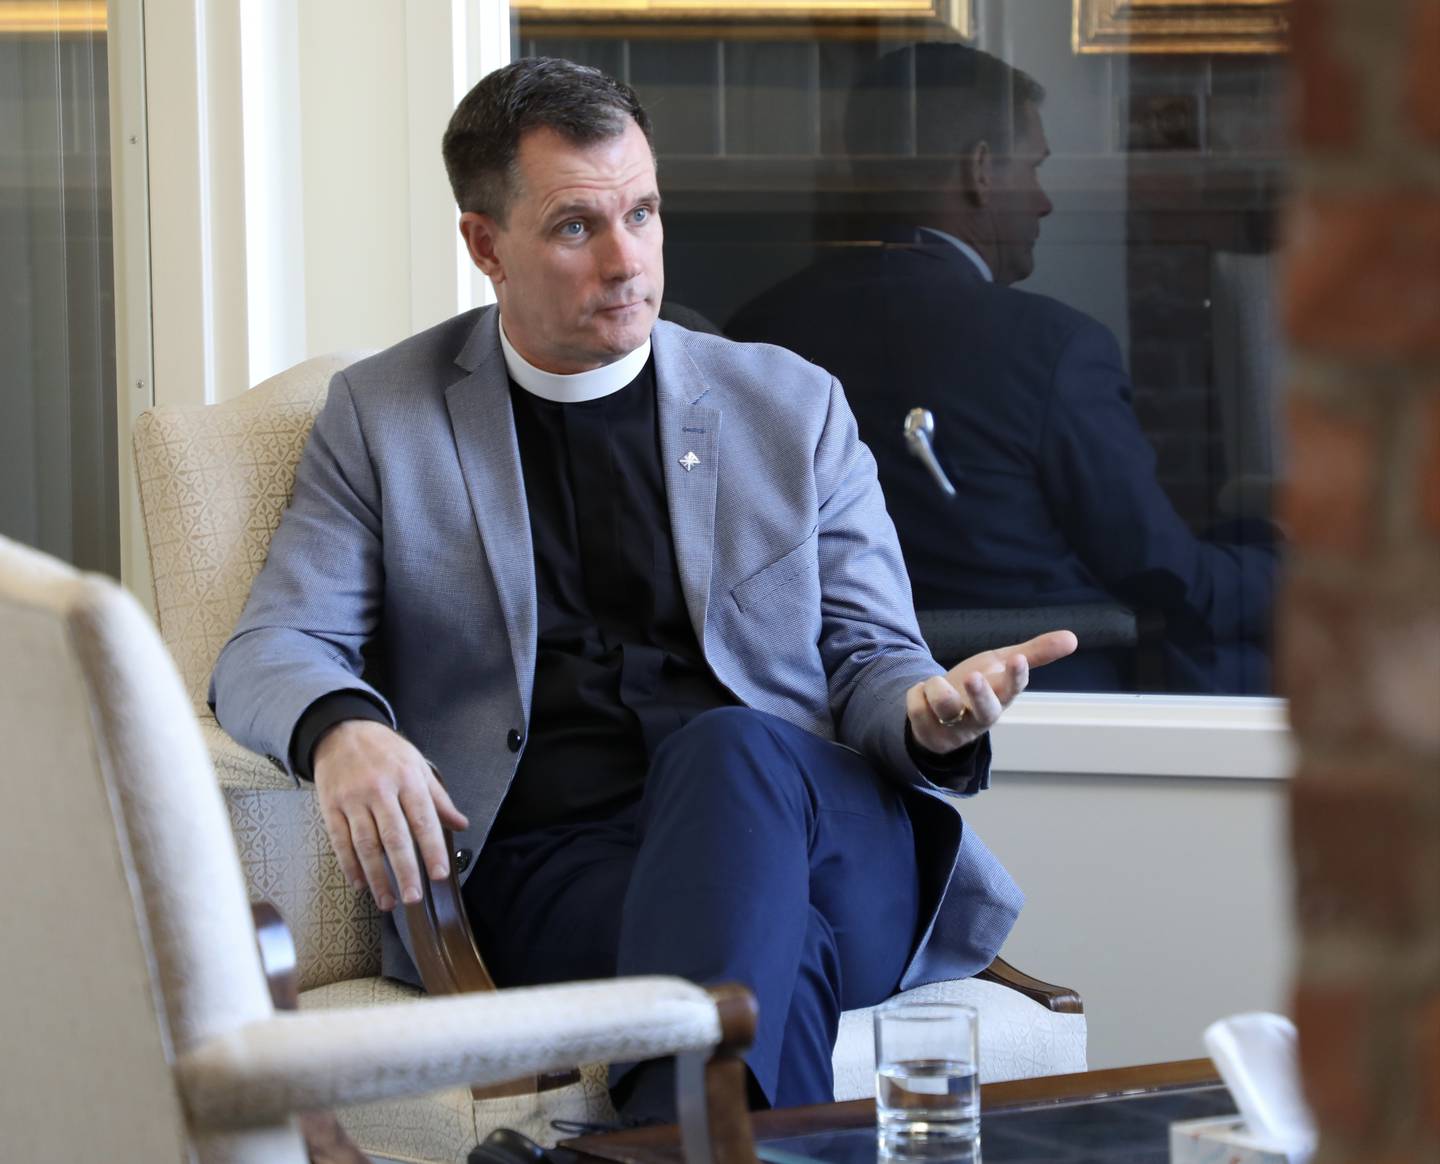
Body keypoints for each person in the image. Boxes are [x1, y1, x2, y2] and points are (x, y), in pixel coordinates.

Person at [210, 56, 1075, 1117]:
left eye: (644, 214)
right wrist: (342, 728)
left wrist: (924, 714)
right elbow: (268, 648)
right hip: (562, 870)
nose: (627, 261)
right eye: (578, 226)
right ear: (486, 244)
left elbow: (871, 658)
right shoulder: (386, 418)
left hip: (827, 845)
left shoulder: (790, 406)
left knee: (731, 749)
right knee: (769, 948)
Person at [727, 43, 1277, 694]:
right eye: (1033, 167)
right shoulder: (1055, 349)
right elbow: (1166, 578)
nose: (1044, 202)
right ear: (982, 171)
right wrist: (1298, 563)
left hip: (820, 704)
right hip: (1045, 707)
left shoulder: (753, 333)